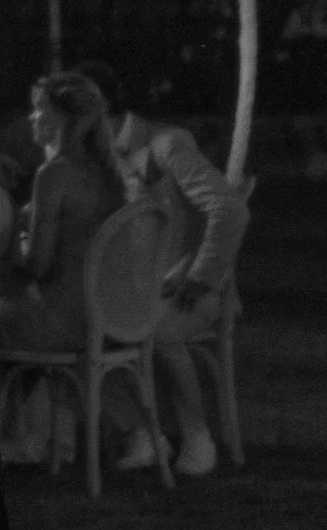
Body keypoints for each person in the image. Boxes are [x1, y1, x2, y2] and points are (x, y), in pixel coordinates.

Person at [77, 59, 243, 478]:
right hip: (142, 289)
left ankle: (197, 434)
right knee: (83, 325)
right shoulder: (95, 159)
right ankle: (144, 432)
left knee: (159, 326)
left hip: (193, 290)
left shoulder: (166, 144)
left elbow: (228, 207)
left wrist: (201, 275)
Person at [0, 73, 129, 468]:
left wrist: (7, 239)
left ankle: (18, 439)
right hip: (106, 316)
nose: (32, 118)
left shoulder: (54, 174)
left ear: (63, 121)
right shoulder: (108, 173)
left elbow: (38, 265)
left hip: (63, 323)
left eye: (40, 110)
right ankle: (58, 441)